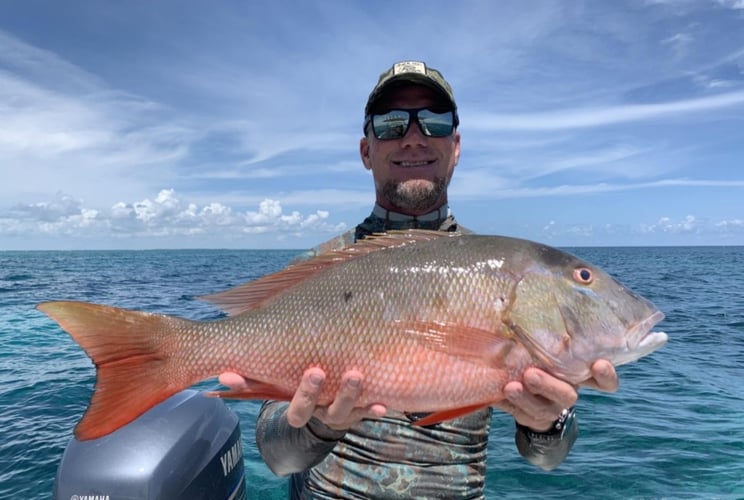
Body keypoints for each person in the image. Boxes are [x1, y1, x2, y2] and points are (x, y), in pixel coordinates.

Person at [219, 60, 619, 499]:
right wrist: (319, 423)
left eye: (434, 121)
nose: (413, 136)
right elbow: (278, 458)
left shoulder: (500, 273)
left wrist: (545, 422)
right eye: (391, 123)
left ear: (456, 144)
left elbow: (548, 459)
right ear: (366, 150)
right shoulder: (319, 269)